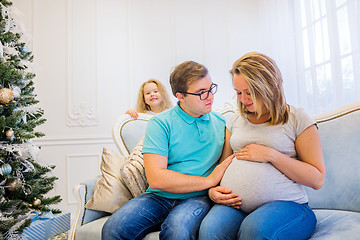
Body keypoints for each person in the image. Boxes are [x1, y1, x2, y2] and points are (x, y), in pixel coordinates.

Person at [199, 52, 325, 240]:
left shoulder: (297, 119)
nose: (243, 99)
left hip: (289, 205)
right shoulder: (234, 120)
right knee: (210, 231)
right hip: (236, 206)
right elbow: (223, 165)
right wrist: (212, 191)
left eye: (249, 92)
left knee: (255, 230)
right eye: (238, 92)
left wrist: (271, 155)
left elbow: (317, 179)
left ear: (268, 86)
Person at [102, 61, 234, 240]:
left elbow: (224, 171)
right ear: (181, 96)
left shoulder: (222, 124)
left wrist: (211, 186)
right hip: (159, 197)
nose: (210, 97)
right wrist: (209, 180)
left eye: (211, 89)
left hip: (198, 198)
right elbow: (156, 179)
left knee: (177, 231)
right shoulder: (160, 123)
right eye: (201, 93)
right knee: (113, 228)